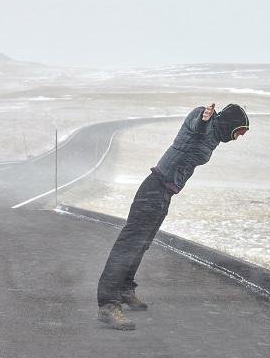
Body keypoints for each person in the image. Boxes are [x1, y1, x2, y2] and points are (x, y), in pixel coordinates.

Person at [97, 102, 250, 330]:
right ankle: (108, 304)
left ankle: (124, 289)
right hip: (154, 188)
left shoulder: (216, 137)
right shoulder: (203, 119)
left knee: (141, 245)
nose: (237, 138)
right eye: (239, 132)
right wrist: (203, 119)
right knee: (129, 245)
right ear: (230, 123)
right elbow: (196, 127)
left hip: (164, 192)